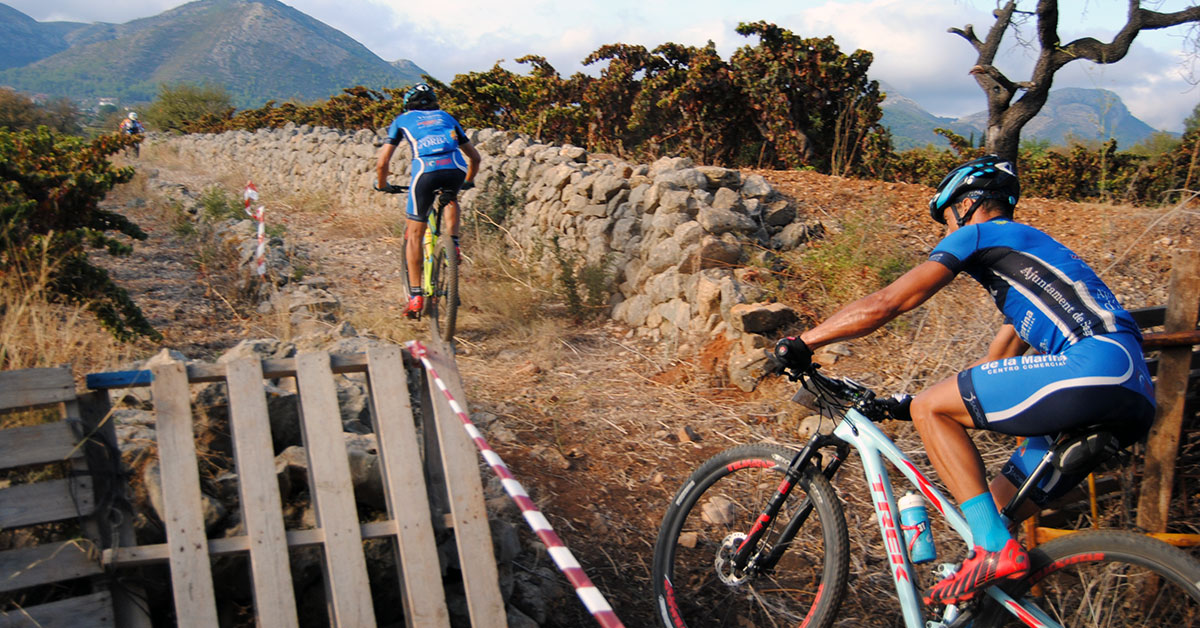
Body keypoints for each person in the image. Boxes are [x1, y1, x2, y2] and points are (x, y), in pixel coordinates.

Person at [772, 155, 1156, 606]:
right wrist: (909, 402)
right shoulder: (1032, 256)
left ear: (969, 204)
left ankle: (995, 551)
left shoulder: (981, 234)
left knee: (933, 413)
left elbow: (891, 301)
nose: (946, 231)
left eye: (947, 218)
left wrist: (806, 341)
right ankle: (985, 588)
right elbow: (997, 368)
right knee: (992, 510)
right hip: (1132, 390)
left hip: (1094, 366)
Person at [374, 83, 481, 318]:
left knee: (414, 235)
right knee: (450, 198)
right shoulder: (446, 117)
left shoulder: (402, 120)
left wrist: (382, 184)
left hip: (425, 172)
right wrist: (468, 181)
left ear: (407, 104)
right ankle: (453, 243)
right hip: (455, 169)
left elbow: (382, 163)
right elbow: (474, 156)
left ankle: (415, 297)